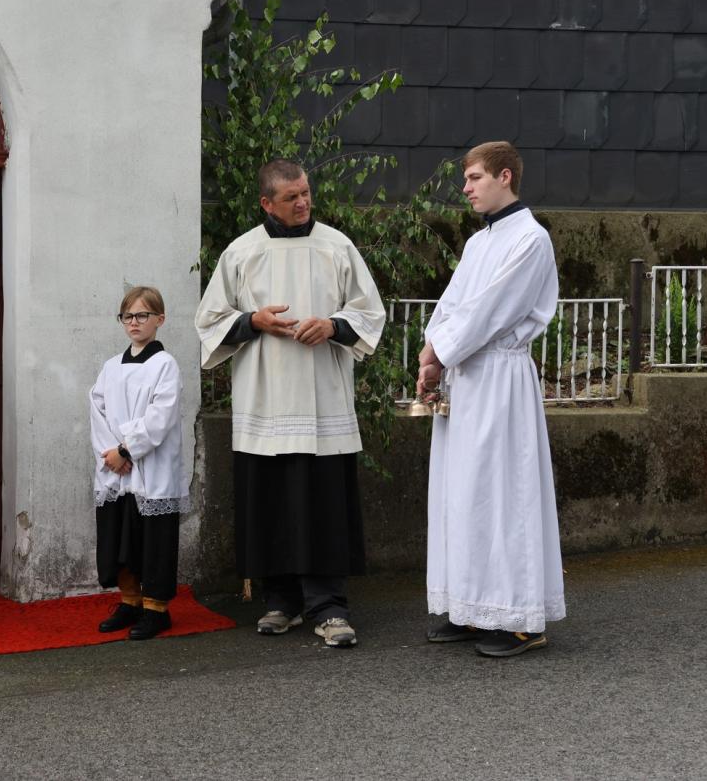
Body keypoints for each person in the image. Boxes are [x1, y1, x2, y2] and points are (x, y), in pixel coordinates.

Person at [195, 159, 385, 647]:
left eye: (305, 193)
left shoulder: (337, 246)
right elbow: (210, 320)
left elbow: (369, 312)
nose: (303, 203)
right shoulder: (242, 252)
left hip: (323, 397)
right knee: (271, 501)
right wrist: (252, 321)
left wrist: (334, 325)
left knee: (323, 504)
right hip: (266, 398)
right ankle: (281, 601)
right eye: (291, 197)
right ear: (266, 203)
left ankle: (329, 607)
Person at [416, 141, 565, 658]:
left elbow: (490, 311)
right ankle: (472, 607)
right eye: (466, 179)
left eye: (475, 177)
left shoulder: (531, 240)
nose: (466, 188)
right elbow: (454, 302)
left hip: (500, 378)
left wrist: (442, 350)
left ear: (505, 177)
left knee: (504, 494)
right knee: (465, 494)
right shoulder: (480, 242)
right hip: (466, 378)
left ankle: (519, 618)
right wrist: (431, 353)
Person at [90, 286, 188, 641]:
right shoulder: (111, 367)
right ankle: (129, 601)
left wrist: (126, 449)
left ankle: (156, 609)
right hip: (117, 471)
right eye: (128, 316)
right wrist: (112, 455)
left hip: (151, 468)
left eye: (142, 315)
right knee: (120, 537)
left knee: (153, 541)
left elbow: (160, 417)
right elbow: (97, 410)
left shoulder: (165, 365)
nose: (134, 322)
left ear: (160, 319)